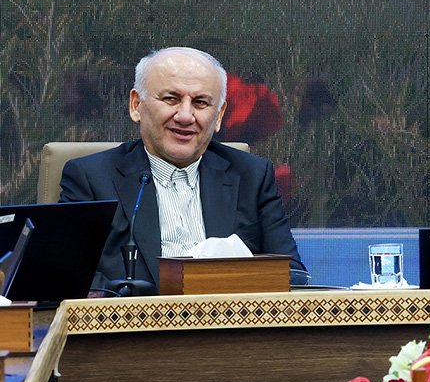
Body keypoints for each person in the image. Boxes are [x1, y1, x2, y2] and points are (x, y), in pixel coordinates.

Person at [59, 47, 305, 294]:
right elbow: (70, 275)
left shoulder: (252, 176)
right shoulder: (90, 178)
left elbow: (292, 276)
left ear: (219, 116)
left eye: (200, 103)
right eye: (171, 99)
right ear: (136, 105)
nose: (186, 116)